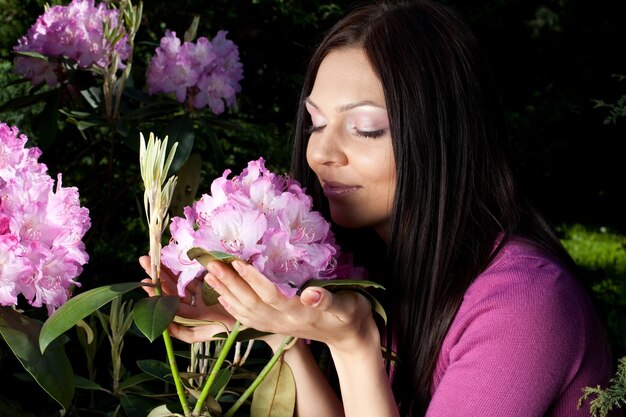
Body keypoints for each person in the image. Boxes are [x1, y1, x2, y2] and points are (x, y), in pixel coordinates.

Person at [141, 1, 615, 416]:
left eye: (366, 128)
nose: (321, 153)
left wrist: (353, 342)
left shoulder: (524, 303)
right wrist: (275, 327)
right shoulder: (392, 271)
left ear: (442, 139)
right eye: (316, 123)